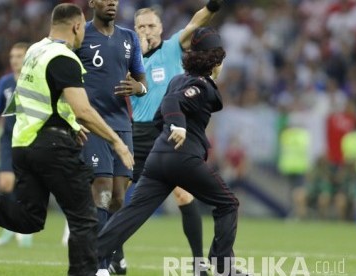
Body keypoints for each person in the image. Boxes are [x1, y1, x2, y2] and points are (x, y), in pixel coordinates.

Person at [0, 4, 134, 276]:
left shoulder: (34, 52)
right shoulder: (65, 58)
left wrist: (69, 122)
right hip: (53, 146)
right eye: (82, 28)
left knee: (30, 217)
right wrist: (117, 142)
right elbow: (83, 110)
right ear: (76, 26)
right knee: (85, 219)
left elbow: (38, 98)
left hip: (23, 146)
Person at [97, 27, 246, 276]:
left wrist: (169, 132)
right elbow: (170, 103)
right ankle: (223, 266)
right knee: (228, 204)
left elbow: (158, 118)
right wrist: (178, 125)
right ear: (215, 62)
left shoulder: (177, 80)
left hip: (159, 158)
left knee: (133, 213)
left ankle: (90, 257)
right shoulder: (202, 86)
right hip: (184, 159)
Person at [130, 2, 224, 271]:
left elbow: (195, 23)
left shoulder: (172, 47)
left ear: (161, 27)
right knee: (117, 195)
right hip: (136, 133)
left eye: (151, 25)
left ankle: (198, 262)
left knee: (183, 194)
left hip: (168, 131)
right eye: (141, 26)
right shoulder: (128, 58)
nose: (147, 30)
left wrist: (212, 7)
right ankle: (114, 259)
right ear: (135, 30)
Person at [76, 0, 146, 273]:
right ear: (92, 2)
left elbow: (142, 82)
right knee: (102, 189)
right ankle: (100, 265)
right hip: (93, 123)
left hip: (122, 124)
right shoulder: (81, 34)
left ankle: (112, 254)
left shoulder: (129, 38)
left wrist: (137, 88)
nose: (112, 3)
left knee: (118, 198)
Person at [0, 42, 34, 247]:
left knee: (25, 183)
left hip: (30, 138)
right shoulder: (5, 82)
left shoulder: (36, 81)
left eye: (19, 56)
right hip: (8, 138)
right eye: (12, 56)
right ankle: (12, 225)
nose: (14, 60)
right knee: (5, 184)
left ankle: (24, 226)